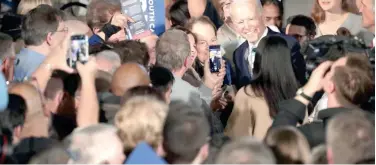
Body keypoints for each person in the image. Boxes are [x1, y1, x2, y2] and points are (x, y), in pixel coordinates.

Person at [272, 53, 374, 147]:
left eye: (330, 71)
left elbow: (273, 144)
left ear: (330, 86)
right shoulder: (371, 130)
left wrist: (306, 92)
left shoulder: (312, 136)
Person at [225, 36, 299, 140]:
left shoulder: (248, 94)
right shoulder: (299, 96)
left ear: (258, 60)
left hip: (260, 155)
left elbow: (236, 138)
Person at [156, 29, 224, 135]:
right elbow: (206, 125)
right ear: (187, 61)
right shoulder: (188, 93)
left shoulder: (147, 81)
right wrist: (209, 84)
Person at [230, 0, 306, 89]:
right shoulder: (238, 54)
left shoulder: (287, 44)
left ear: (262, 16)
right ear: (234, 25)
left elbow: (301, 85)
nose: (246, 26)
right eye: (240, 22)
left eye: (251, 19)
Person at [14, 4, 67, 81]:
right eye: (64, 30)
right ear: (50, 38)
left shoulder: (11, 61)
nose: (66, 34)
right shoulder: (45, 72)